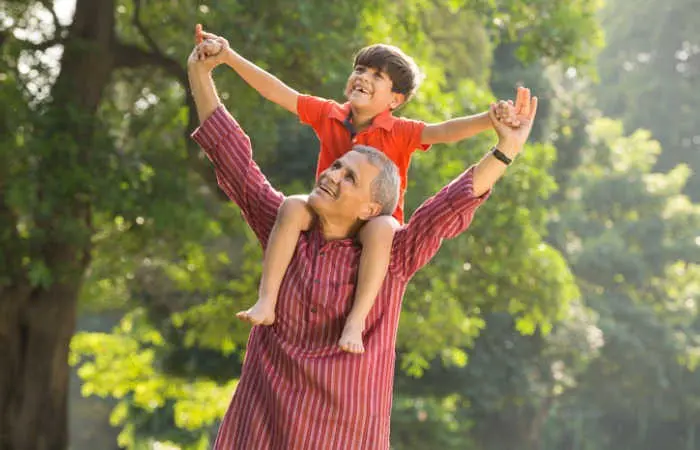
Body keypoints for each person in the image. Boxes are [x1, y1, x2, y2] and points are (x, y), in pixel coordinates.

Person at [187, 32, 537, 450]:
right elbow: (233, 156)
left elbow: (447, 205)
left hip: (344, 435)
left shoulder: (391, 255)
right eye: (336, 165)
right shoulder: (288, 228)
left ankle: (355, 316)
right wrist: (201, 72)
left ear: (371, 206)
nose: (332, 175)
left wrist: (504, 148)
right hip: (260, 433)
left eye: (349, 177)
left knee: (385, 233)